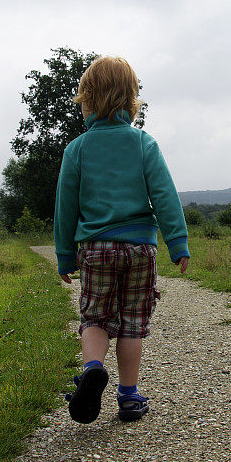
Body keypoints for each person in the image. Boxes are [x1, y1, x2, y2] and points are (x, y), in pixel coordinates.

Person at [54, 56, 189, 423]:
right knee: (132, 324)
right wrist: (178, 243)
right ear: (132, 100)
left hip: (96, 249)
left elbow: (65, 207)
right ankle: (129, 397)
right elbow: (164, 196)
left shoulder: (77, 149)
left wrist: (65, 255)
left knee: (95, 318)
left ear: (87, 98)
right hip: (140, 249)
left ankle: (93, 368)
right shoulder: (144, 144)